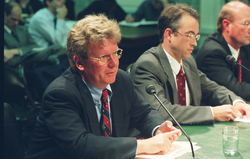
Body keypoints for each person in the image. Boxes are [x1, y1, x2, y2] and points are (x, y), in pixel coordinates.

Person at [24, 14, 181, 159]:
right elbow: (81, 146)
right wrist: (143, 145)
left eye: (115, 53)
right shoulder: (60, 94)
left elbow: (144, 112)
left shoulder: (121, 80)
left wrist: (158, 128)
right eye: (103, 57)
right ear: (79, 62)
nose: (113, 63)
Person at [130, 3, 250, 125]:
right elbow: (161, 111)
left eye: (196, 36)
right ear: (169, 34)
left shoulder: (188, 61)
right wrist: (212, 113)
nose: (195, 43)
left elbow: (212, 89)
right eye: (189, 35)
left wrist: (237, 102)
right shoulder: (147, 65)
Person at [195, 1, 250, 101]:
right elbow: (236, 91)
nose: (249, 29)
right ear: (226, 25)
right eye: (246, 24)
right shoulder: (212, 53)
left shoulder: (244, 47)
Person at [4, 2, 67, 67]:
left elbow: (35, 46)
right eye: (13, 19)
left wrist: (15, 51)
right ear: (4, 15)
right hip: (21, 63)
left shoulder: (22, 29)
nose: (16, 23)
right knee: (57, 47)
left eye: (18, 20)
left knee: (55, 57)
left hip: (33, 57)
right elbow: (7, 58)